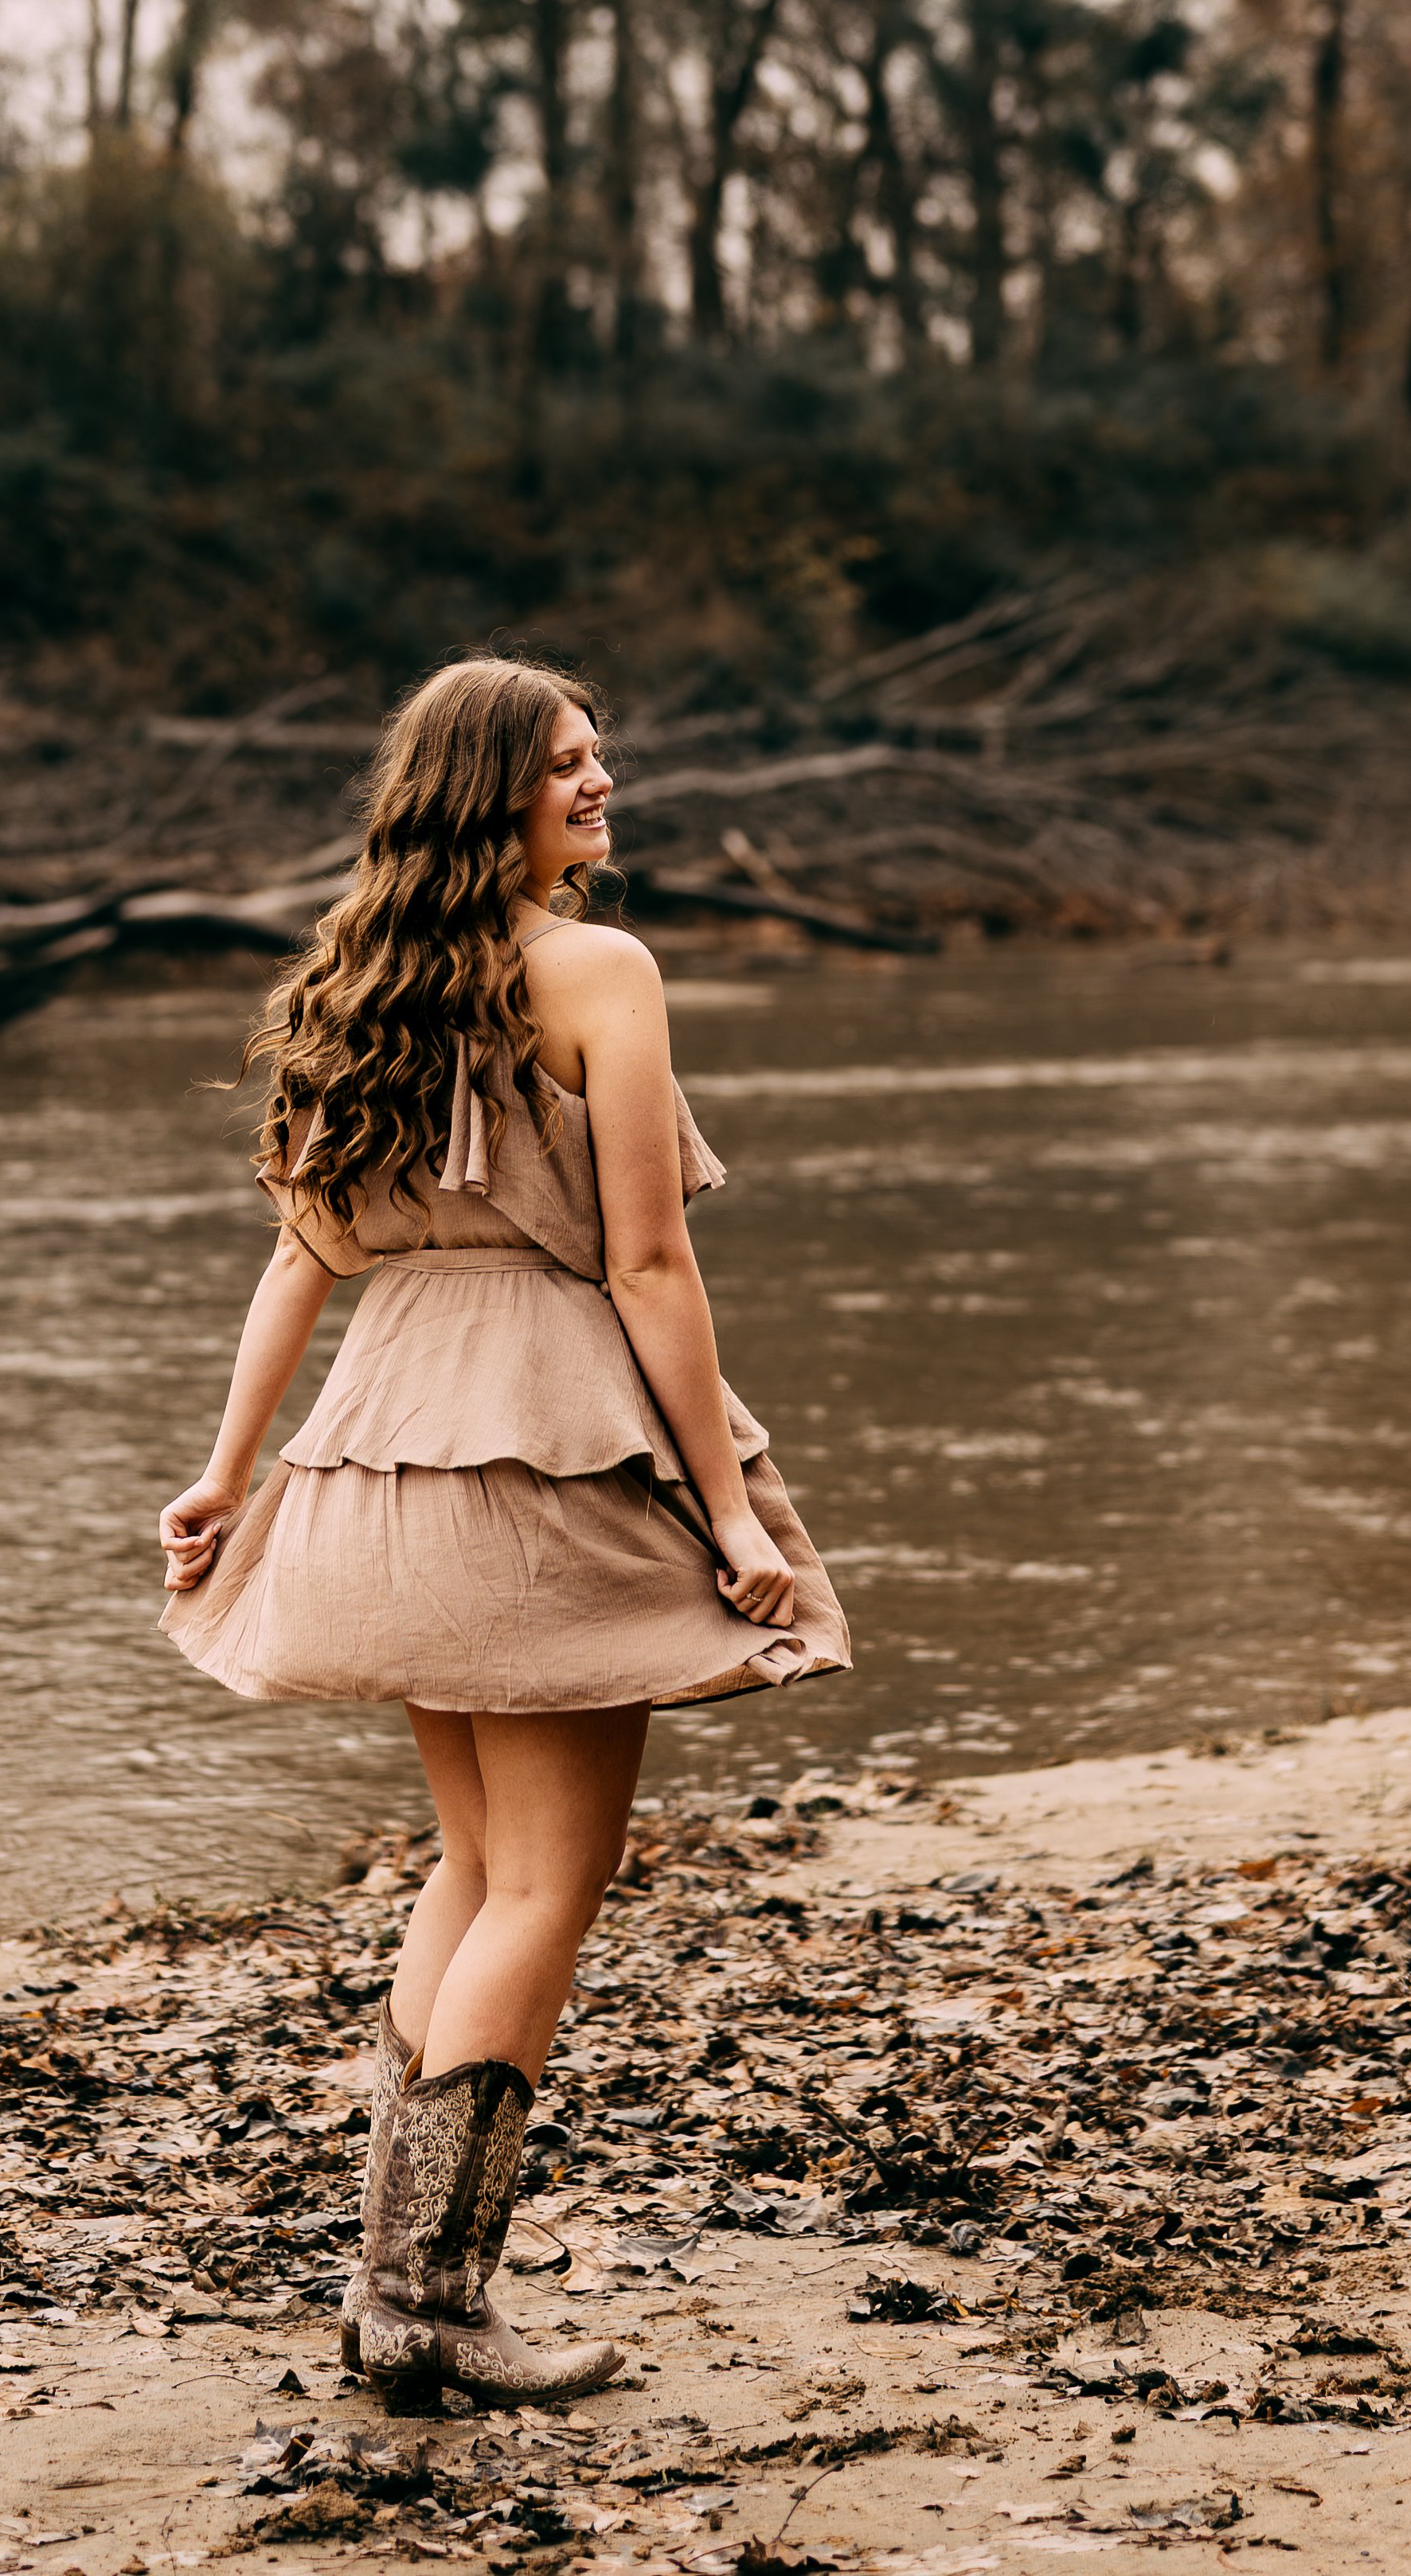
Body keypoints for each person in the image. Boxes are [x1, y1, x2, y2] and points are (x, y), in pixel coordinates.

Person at [157, 656, 850, 2408]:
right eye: (567, 764)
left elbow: (302, 1257)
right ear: (491, 796)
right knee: (547, 1882)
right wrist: (724, 1509)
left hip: (387, 1448)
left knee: (474, 1869)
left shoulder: (358, 980)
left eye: (599, 754)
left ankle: (391, 2289)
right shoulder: (597, 970)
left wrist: (232, 1474)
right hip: (544, 1446)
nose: (601, 785)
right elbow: (642, 1262)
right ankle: (430, 2308)